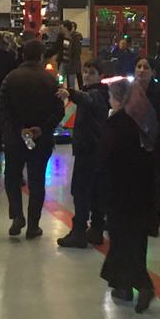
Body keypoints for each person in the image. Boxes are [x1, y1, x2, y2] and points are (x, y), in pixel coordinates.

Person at [98, 79, 159, 312]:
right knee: (136, 240)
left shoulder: (117, 124)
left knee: (122, 239)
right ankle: (122, 285)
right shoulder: (144, 118)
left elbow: (105, 158)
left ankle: (143, 284)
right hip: (143, 191)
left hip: (120, 192)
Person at [0, 39, 64, 240]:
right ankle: (33, 225)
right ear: (41, 56)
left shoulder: (11, 78)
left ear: (23, 55)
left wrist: (19, 129)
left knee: (12, 177)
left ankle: (17, 215)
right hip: (41, 139)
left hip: (15, 138)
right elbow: (59, 110)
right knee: (37, 181)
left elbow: (2, 109)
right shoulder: (50, 80)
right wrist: (42, 128)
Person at [59, 60, 111, 248]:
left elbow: (87, 99)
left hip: (88, 150)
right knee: (96, 192)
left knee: (81, 191)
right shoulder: (103, 94)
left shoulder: (96, 94)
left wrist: (70, 93)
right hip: (96, 150)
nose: (87, 75)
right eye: (86, 71)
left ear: (101, 76)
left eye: (92, 72)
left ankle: (79, 231)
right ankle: (96, 229)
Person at [134, 55, 160, 209]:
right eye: (139, 67)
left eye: (146, 67)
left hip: (152, 144)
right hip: (133, 142)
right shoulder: (129, 91)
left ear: (153, 72)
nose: (141, 70)